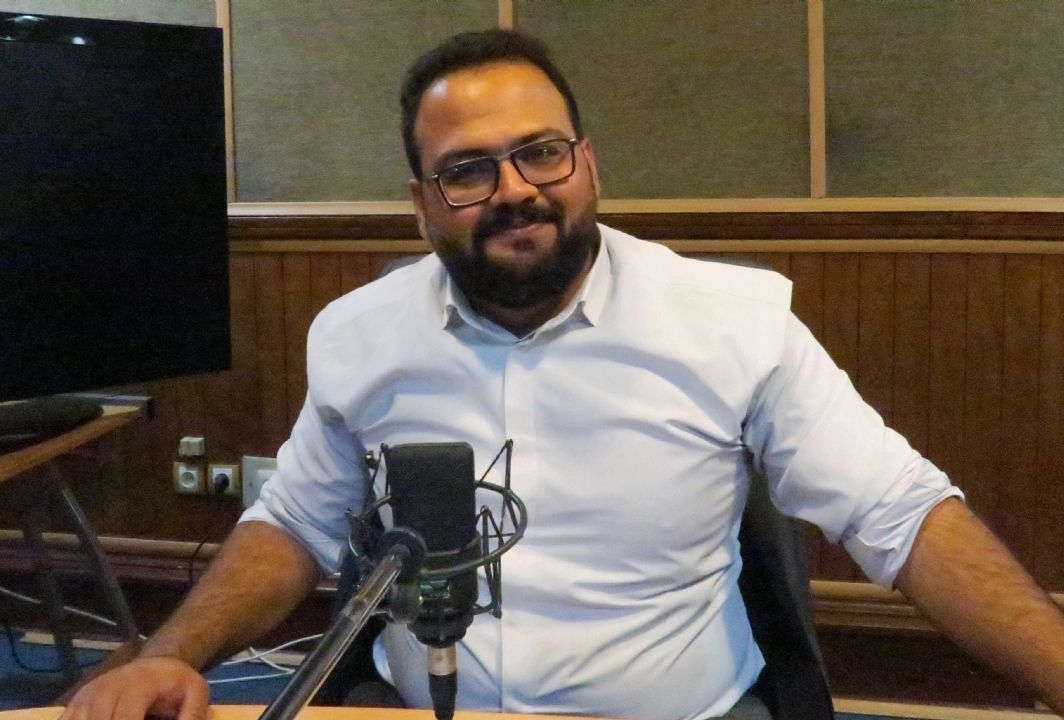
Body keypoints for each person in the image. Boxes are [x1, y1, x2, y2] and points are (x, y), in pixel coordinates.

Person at [62, 29, 1064, 720]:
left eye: (540, 153)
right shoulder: (359, 337)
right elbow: (292, 524)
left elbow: (901, 515)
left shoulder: (735, 323)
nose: (515, 191)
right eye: (468, 170)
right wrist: (164, 657)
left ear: (587, 163)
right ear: (421, 203)